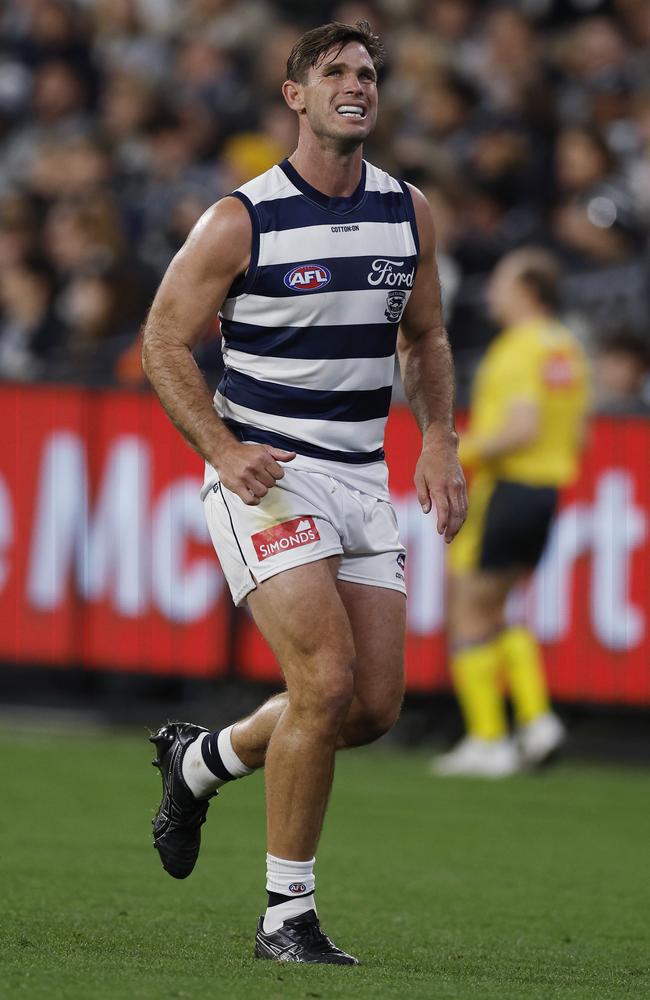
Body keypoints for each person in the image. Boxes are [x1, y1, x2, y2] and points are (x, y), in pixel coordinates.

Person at [142, 20, 467, 965]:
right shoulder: (241, 216)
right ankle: (286, 917)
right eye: (335, 72)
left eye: (368, 72)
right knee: (322, 684)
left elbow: (428, 337)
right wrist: (221, 444)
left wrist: (439, 437)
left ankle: (201, 762)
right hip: (269, 474)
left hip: (363, 475)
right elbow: (163, 339)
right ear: (297, 96)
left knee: (369, 708)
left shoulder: (409, 210)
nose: (356, 84)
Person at [433, 247, 589, 779]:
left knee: (469, 606)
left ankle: (488, 738)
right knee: (498, 608)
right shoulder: (566, 347)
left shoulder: (521, 347)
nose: (492, 292)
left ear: (528, 290)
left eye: (501, 282)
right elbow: (581, 432)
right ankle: (537, 718)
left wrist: (461, 450)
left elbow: (521, 427)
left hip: (510, 487)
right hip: (545, 492)